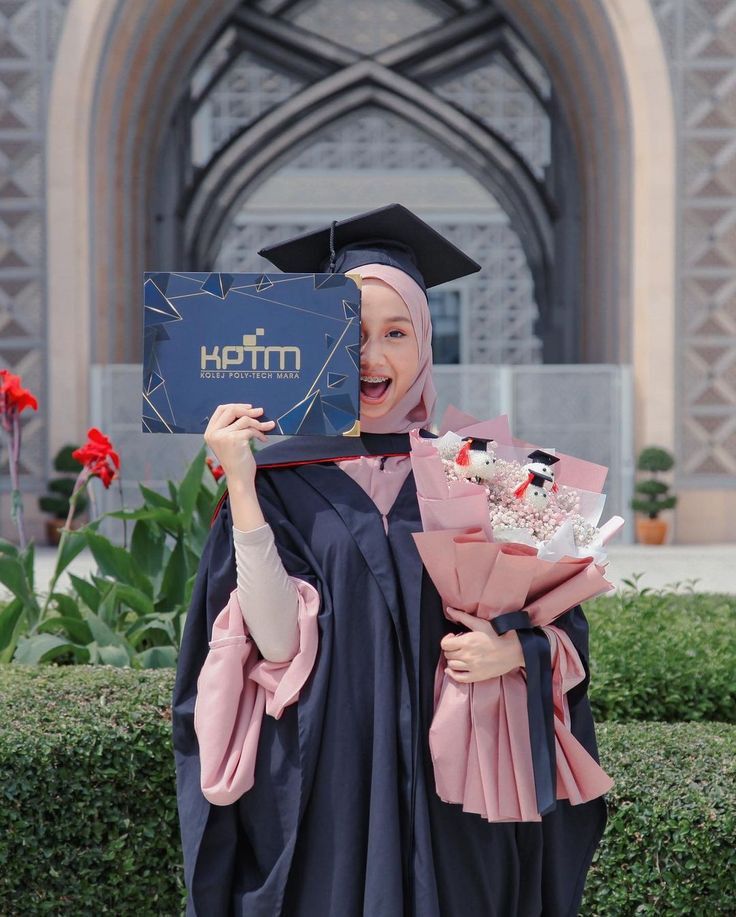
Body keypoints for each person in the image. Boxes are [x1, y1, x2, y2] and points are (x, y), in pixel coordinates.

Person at [172, 204, 608, 916]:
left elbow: (566, 627)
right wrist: (242, 485)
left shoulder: (487, 466)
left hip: (458, 800)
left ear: (426, 341)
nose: (372, 356)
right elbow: (275, 644)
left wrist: (515, 651)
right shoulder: (279, 477)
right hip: (325, 794)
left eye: (395, 332)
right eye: (351, 333)